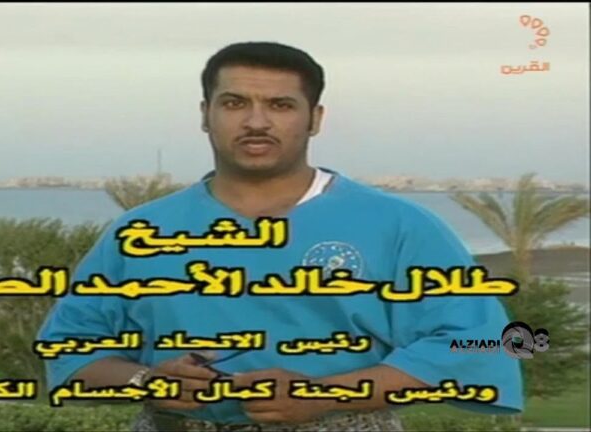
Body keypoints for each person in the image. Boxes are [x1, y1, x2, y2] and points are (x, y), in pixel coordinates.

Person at [38, 41, 523, 431]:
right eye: (234, 103)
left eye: (280, 105)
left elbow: (478, 343)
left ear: (315, 119)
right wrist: (146, 380)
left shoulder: (397, 225)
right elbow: (69, 348)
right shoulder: (142, 231)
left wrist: (326, 395)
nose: (256, 122)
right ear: (205, 114)